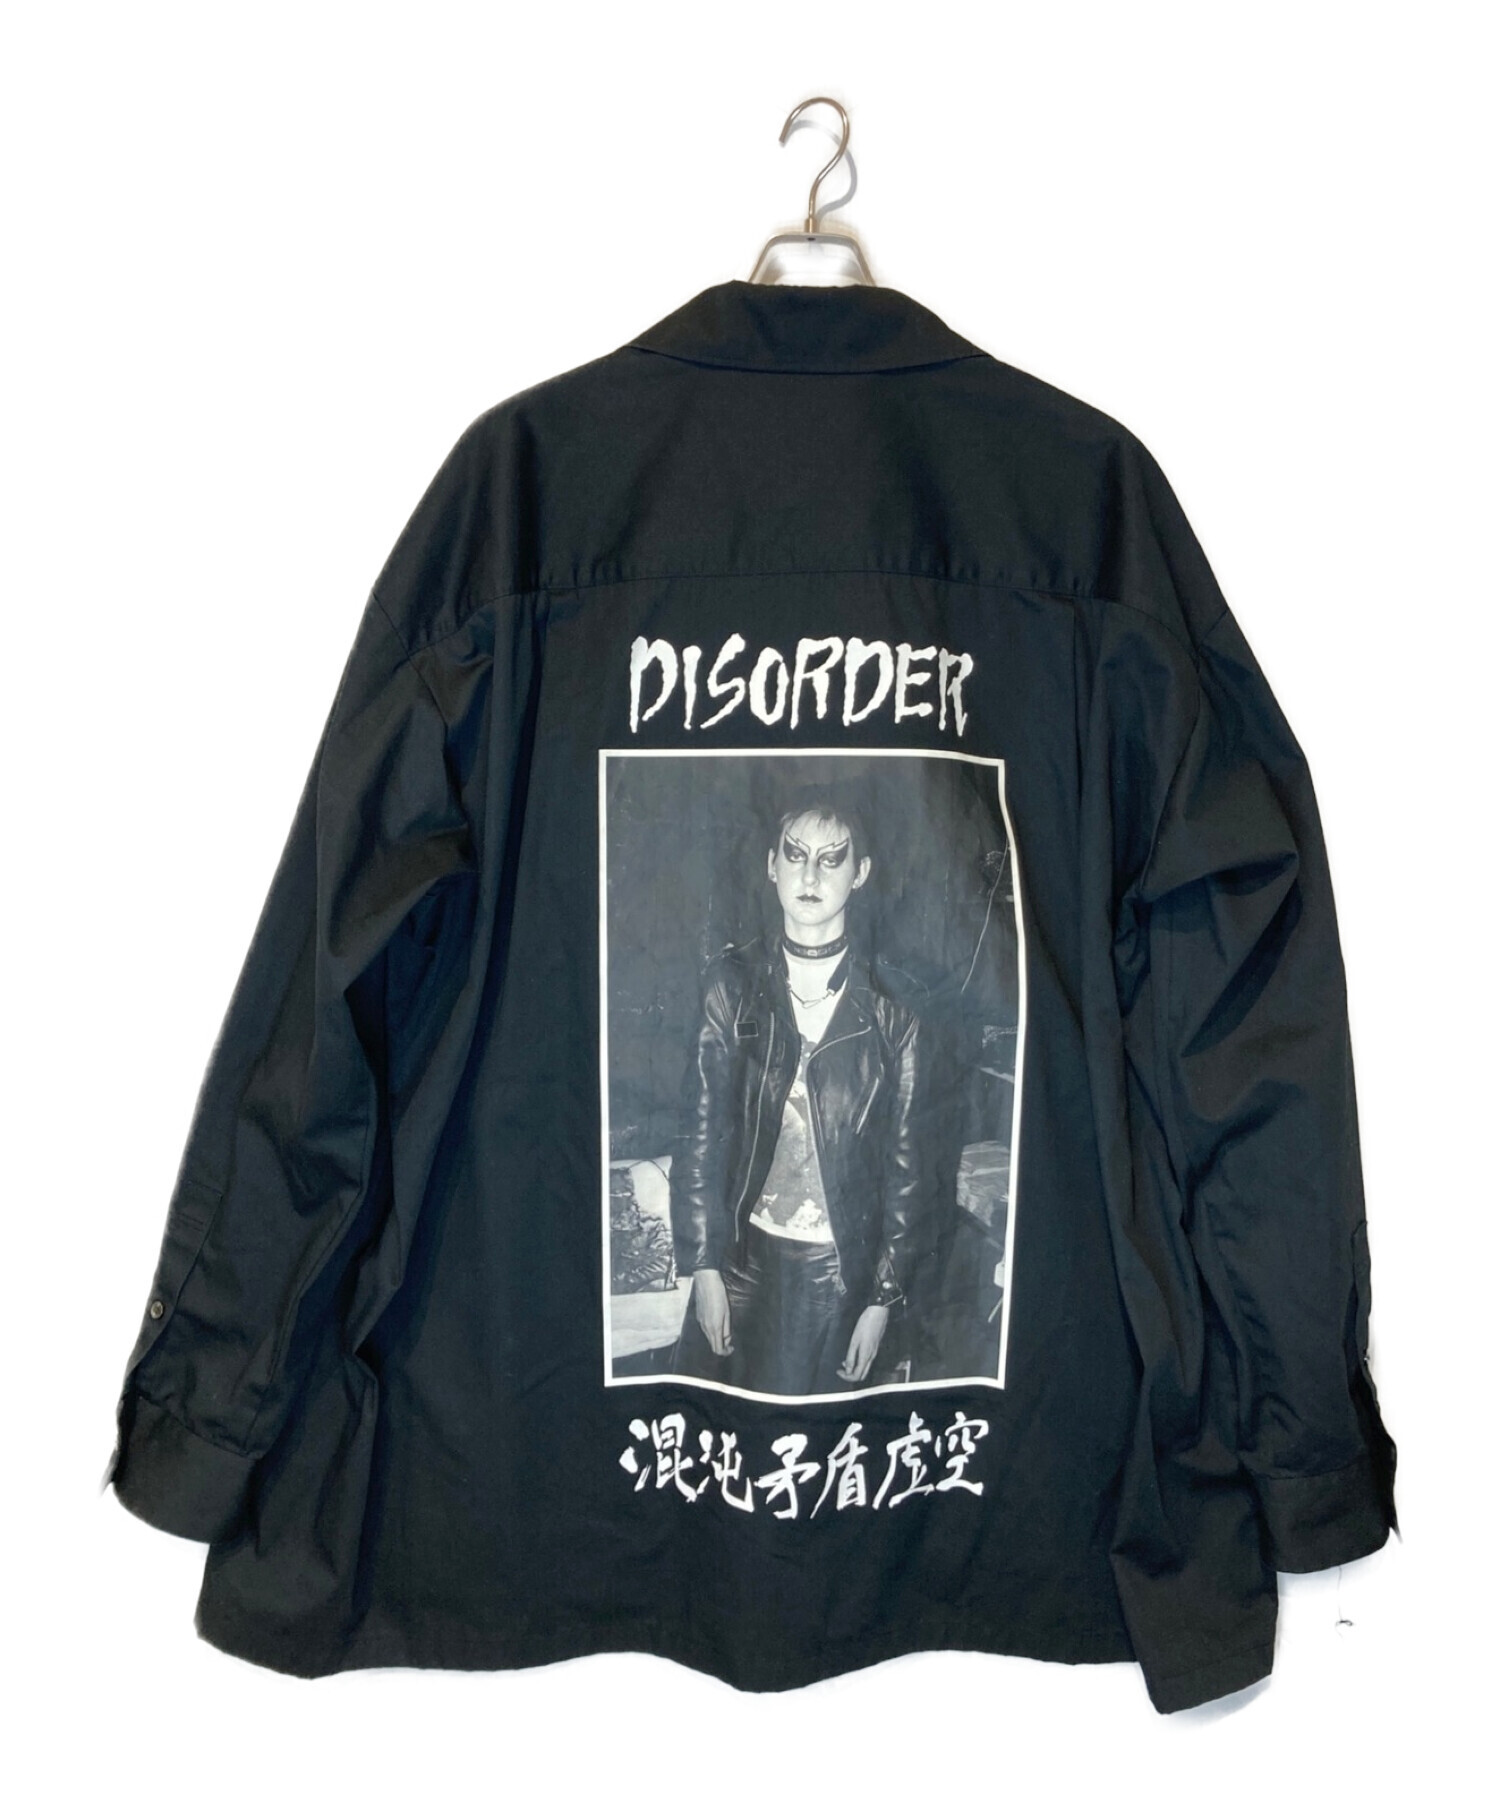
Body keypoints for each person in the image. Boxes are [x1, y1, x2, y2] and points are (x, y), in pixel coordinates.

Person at [669, 790, 931, 1397]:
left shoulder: (897, 1008)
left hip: (840, 1272)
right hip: (738, 1261)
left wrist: (882, 1299)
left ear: (860, 873)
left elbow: (909, 1168)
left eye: (832, 859)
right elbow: (700, 1132)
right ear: (772, 865)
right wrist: (703, 1267)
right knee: (716, 1420)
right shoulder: (730, 984)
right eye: (795, 855)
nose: (810, 875)